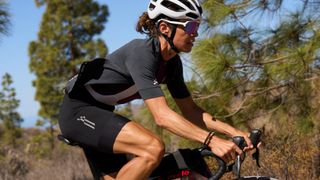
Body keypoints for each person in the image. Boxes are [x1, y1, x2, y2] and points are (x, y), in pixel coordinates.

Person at [58, 0, 256, 179]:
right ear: (164, 28)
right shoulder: (142, 53)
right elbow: (162, 117)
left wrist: (234, 133)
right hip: (78, 113)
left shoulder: (172, 63)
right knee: (153, 147)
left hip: (101, 114)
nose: (195, 32)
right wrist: (211, 140)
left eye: (198, 26)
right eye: (191, 26)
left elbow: (191, 111)